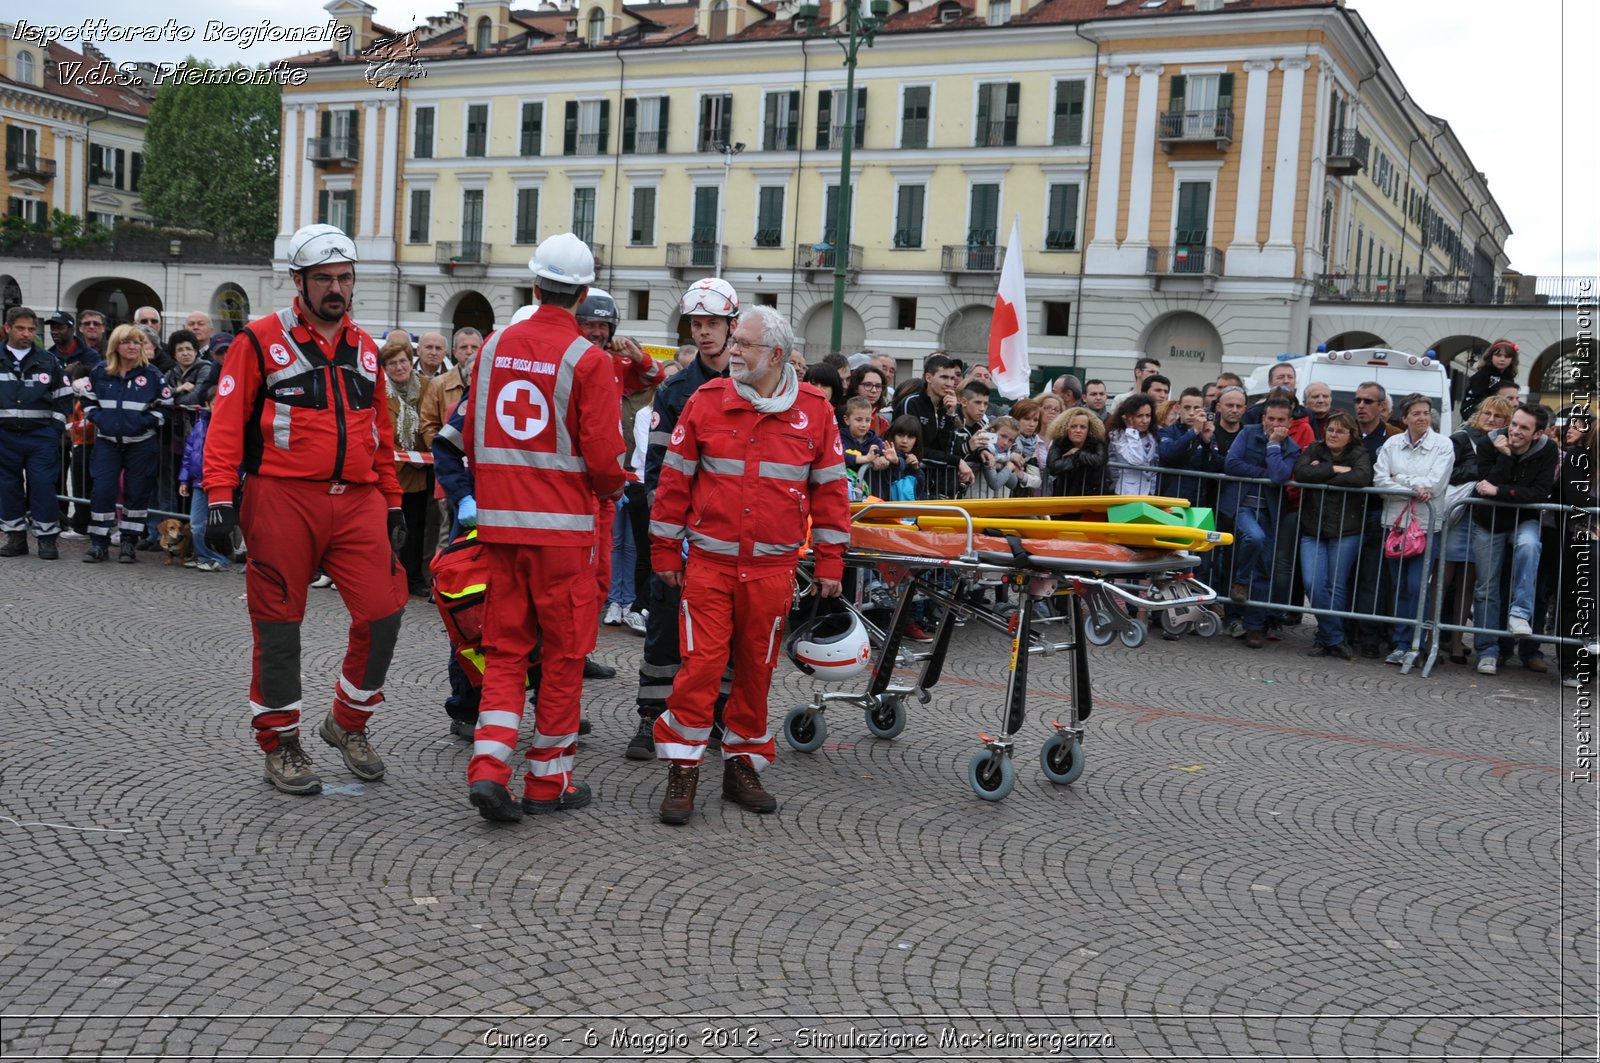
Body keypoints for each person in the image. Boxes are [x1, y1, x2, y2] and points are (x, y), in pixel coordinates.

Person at [201, 223, 408, 796]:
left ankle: (347, 722)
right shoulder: (258, 340)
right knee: (278, 626)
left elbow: (381, 435)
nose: (336, 288)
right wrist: (220, 498)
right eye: (324, 279)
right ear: (300, 282)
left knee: (385, 610)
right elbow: (224, 428)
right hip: (282, 500)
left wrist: (392, 502)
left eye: (344, 278)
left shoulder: (367, 349)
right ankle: (282, 743)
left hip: (358, 499)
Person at [649, 305, 850, 825]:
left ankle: (743, 764)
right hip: (710, 567)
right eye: (733, 341)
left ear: (777, 355)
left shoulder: (815, 412)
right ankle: (683, 768)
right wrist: (665, 549)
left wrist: (831, 560)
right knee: (701, 668)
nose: (732, 351)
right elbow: (673, 483)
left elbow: (830, 493)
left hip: (772, 572)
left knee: (756, 673)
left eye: (744, 344)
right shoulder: (705, 402)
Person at [453, 232, 625, 822]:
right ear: (581, 295)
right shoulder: (589, 359)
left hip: (500, 531)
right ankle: (548, 784)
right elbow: (604, 463)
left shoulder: (495, 346)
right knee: (563, 657)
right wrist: (609, 488)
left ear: (534, 285)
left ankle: (488, 769)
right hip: (564, 537)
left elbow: (471, 438)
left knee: (503, 653)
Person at [627, 278, 740, 761]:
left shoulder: (751, 385)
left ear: (732, 327)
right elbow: (657, 473)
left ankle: (718, 716)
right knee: (667, 626)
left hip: (730, 538)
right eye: (697, 324)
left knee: (727, 633)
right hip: (683, 537)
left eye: (712, 323)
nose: (703, 333)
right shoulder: (674, 391)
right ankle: (651, 718)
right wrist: (670, 534)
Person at [1468, 403, 1558, 675]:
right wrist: (1505, 456)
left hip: (1524, 520)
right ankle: (1487, 650)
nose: (1515, 431)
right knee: (1486, 588)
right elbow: (1484, 487)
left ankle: (1519, 613)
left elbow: (1540, 493)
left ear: (1537, 434)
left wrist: (1501, 491)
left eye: (1524, 428)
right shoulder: (1490, 442)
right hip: (1489, 522)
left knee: (1530, 546)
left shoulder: (1547, 449)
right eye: (1514, 424)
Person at [78, 324, 173, 563]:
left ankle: (128, 543)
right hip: (107, 443)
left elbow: (166, 406)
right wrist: (100, 419)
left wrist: (144, 423)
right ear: (115, 345)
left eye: (137, 342)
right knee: (102, 491)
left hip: (140, 444)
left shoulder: (152, 375)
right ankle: (99, 543)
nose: (132, 347)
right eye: (126, 342)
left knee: (137, 494)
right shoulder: (100, 371)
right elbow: (87, 400)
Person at [1373, 394, 1454, 663]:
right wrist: (1412, 486)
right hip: (1395, 525)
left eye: (1426, 413)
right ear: (1404, 418)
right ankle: (1401, 643)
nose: (1422, 418)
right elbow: (1380, 481)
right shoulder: (1392, 444)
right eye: (1416, 413)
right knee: (1398, 587)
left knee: (1417, 585)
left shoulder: (1443, 445)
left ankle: (1417, 644)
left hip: (1427, 526)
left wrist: (1400, 479)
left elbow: (1434, 485)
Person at [1222, 393, 1301, 647]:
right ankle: (1241, 583)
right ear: (1263, 417)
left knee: (1265, 567)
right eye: (1270, 419)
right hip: (1242, 506)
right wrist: (1261, 474)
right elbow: (1231, 464)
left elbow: (1278, 476)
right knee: (1254, 538)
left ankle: (1255, 626)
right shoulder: (1248, 433)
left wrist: (1273, 446)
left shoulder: (1291, 447)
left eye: (1280, 420)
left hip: (1270, 512)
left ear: (1289, 422)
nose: (1274, 424)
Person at [1293, 410, 1372, 659]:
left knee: (1336, 586)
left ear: (1351, 435)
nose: (1334, 434)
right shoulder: (1314, 449)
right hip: (1312, 528)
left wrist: (1324, 474)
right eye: (1330, 429)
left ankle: (1324, 638)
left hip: (1346, 529)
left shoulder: (1359, 453)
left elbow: (1361, 477)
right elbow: (1302, 473)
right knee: (1313, 583)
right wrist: (1335, 469)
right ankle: (1334, 637)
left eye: (1340, 430)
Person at [1437, 397, 1510, 663]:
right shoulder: (1461, 439)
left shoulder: (1506, 444)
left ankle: (1457, 641)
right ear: (1478, 414)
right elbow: (1450, 473)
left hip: (1482, 520)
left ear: (1506, 422)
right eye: (1487, 413)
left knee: (1468, 583)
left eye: (1498, 416)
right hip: (1458, 516)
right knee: (1443, 581)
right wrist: (1481, 471)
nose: (1491, 419)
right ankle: (1430, 637)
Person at [0, 306, 71, 560]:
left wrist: (55, 429)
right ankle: (15, 537)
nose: (27, 334)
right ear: (7, 328)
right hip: (5, 436)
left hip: (41, 436)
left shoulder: (48, 361)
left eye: (31, 329)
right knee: (8, 487)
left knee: (42, 487)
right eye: (20, 328)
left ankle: (47, 539)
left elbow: (64, 398)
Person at [381, 340, 431, 596]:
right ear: (385, 368)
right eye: (392, 363)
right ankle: (391, 578)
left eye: (402, 361)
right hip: (392, 472)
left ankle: (413, 579)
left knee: (417, 528)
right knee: (389, 530)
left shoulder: (426, 386)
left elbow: (431, 418)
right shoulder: (380, 391)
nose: (399, 367)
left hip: (420, 472)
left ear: (410, 362)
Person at [1556, 405, 1597, 688]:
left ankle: (1588, 666)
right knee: (1574, 598)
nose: (1573, 427)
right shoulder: (1576, 457)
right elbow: (1576, 498)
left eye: (1580, 423)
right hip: (1577, 536)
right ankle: (1571, 665)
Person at [894, 353, 973, 499]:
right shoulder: (911, 403)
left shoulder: (949, 406)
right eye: (944, 377)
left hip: (936, 487)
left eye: (952, 378)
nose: (950, 383)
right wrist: (956, 461)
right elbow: (913, 450)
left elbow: (945, 449)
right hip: (909, 484)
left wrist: (950, 415)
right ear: (928, 378)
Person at [177, 385, 230, 571]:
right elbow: (189, 453)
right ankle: (203, 556)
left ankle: (219, 558)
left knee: (218, 526)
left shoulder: (232, 425)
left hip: (222, 481)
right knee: (196, 524)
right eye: (215, 403)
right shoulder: (200, 425)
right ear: (207, 405)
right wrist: (184, 480)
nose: (219, 406)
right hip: (200, 481)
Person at [1157, 387, 1226, 509]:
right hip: (1169, 500)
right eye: (1187, 407)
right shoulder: (1166, 432)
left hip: (1196, 501)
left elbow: (1213, 467)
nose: (1192, 413)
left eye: (1196, 408)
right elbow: (1168, 454)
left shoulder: (1208, 433)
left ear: (1204, 409)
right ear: (1178, 408)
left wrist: (1206, 442)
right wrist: (1193, 432)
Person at [1045, 406, 1107, 497]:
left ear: (1089, 430)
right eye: (1073, 427)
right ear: (1066, 428)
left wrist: (1077, 453)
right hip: (1064, 495)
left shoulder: (1097, 442)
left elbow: (1099, 461)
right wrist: (1074, 459)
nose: (1078, 431)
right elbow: (1053, 467)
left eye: (1083, 427)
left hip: (1092, 496)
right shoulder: (1059, 442)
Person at [1106, 393, 1160, 495]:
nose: (1145, 420)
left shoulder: (1152, 434)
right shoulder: (1118, 435)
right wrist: (1131, 430)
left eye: (1148, 415)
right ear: (1129, 417)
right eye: (1139, 416)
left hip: (1150, 492)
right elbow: (1136, 460)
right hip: (1128, 493)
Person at [1459, 340, 1518, 421]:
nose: (1502, 359)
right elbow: (1479, 400)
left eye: (1507, 356)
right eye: (1498, 355)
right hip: (1475, 413)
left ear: (1512, 359)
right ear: (1490, 357)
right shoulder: (1482, 375)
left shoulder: (1509, 376)